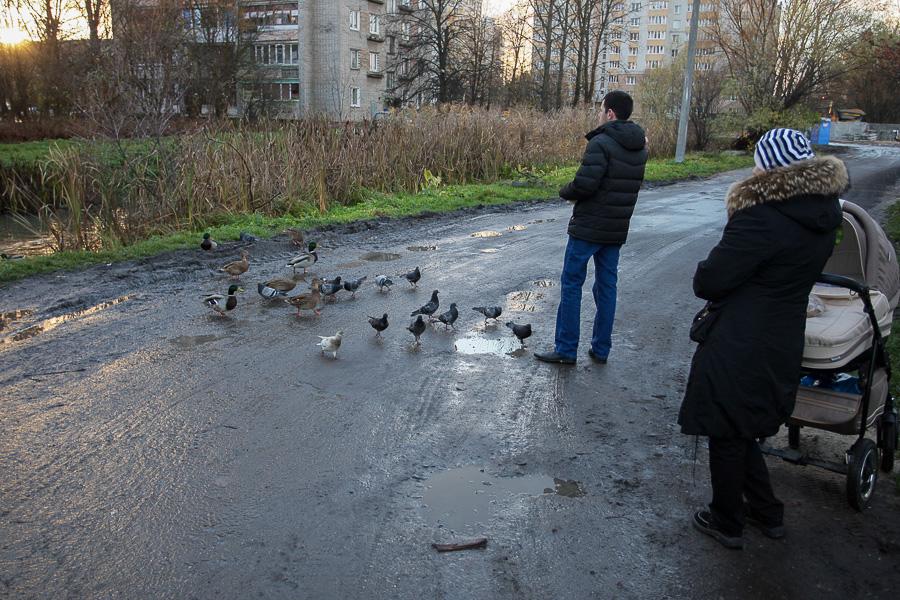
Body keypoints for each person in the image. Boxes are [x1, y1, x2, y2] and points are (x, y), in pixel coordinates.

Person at [678, 128, 848, 550]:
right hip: (782, 333)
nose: (752, 167)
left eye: (757, 160)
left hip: (741, 337)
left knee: (726, 426)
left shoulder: (761, 216)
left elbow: (711, 280)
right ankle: (767, 512)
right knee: (743, 425)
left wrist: (711, 261)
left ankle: (727, 521)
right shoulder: (824, 213)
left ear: (771, 167)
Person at [534, 90, 648, 366]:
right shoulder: (641, 147)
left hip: (588, 227)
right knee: (607, 287)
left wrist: (565, 191)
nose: (599, 114)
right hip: (616, 230)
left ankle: (566, 349)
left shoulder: (601, 143)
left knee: (572, 283)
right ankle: (601, 349)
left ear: (610, 113)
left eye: (601, 109)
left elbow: (585, 184)